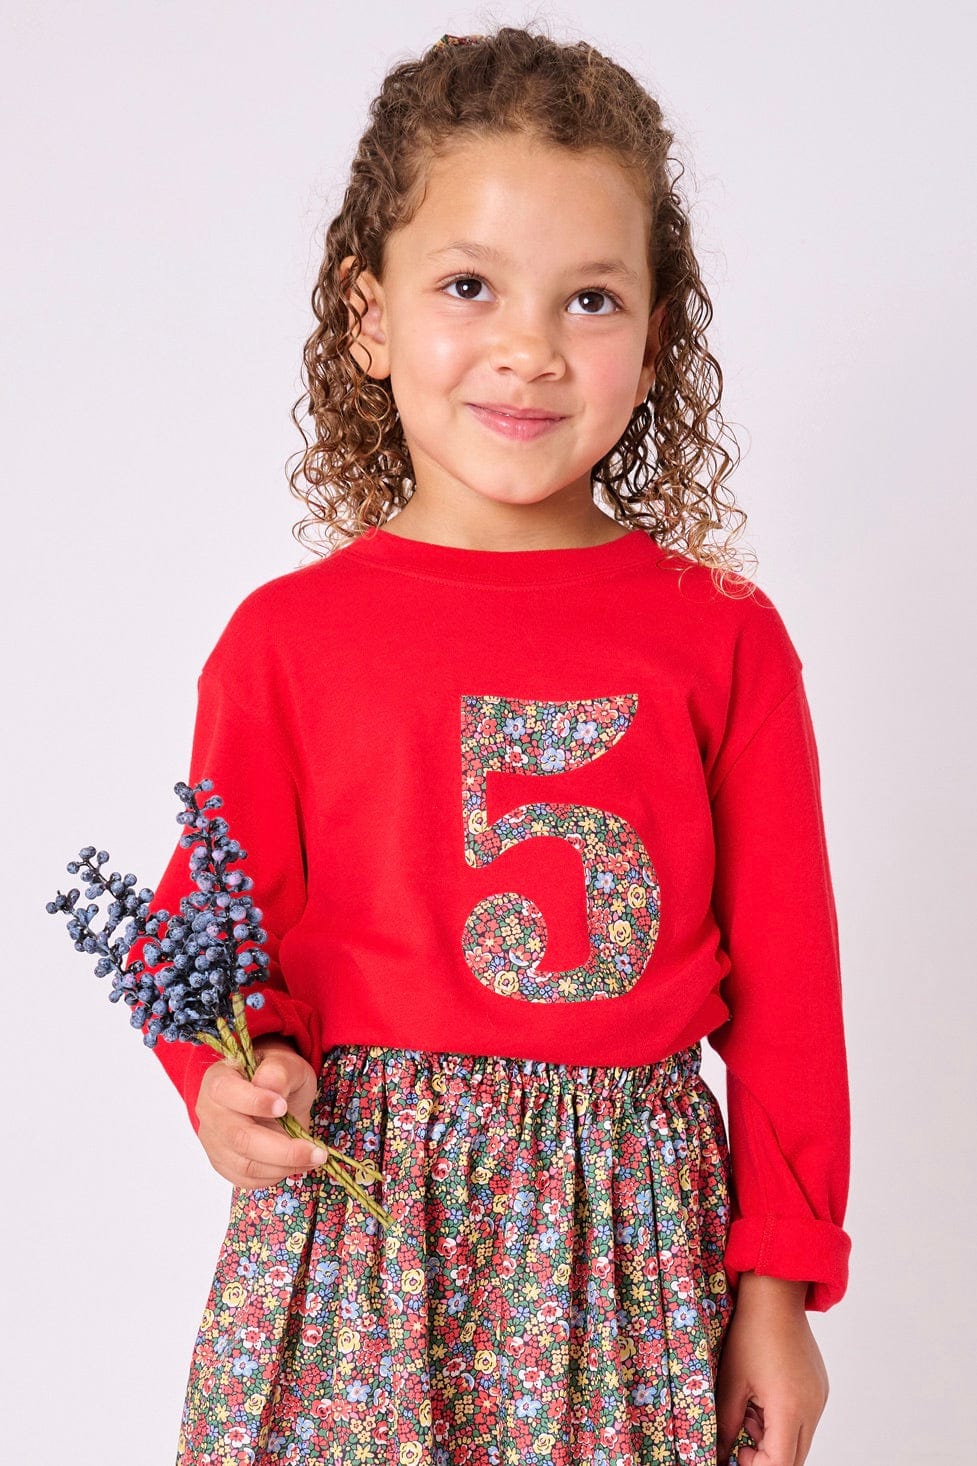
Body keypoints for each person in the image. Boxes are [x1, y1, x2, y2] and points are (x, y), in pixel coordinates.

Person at [144, 26, 851, 1466]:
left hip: (625, 1262)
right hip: (358, 1246)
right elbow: (206, 940)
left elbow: (789, 992)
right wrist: (229, 1076)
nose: (530, 346)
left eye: (589, 298)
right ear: (369, 315)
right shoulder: (287, 642)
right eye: (469, 285)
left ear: (655, 338)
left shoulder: (720, 638)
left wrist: (776, 1288)